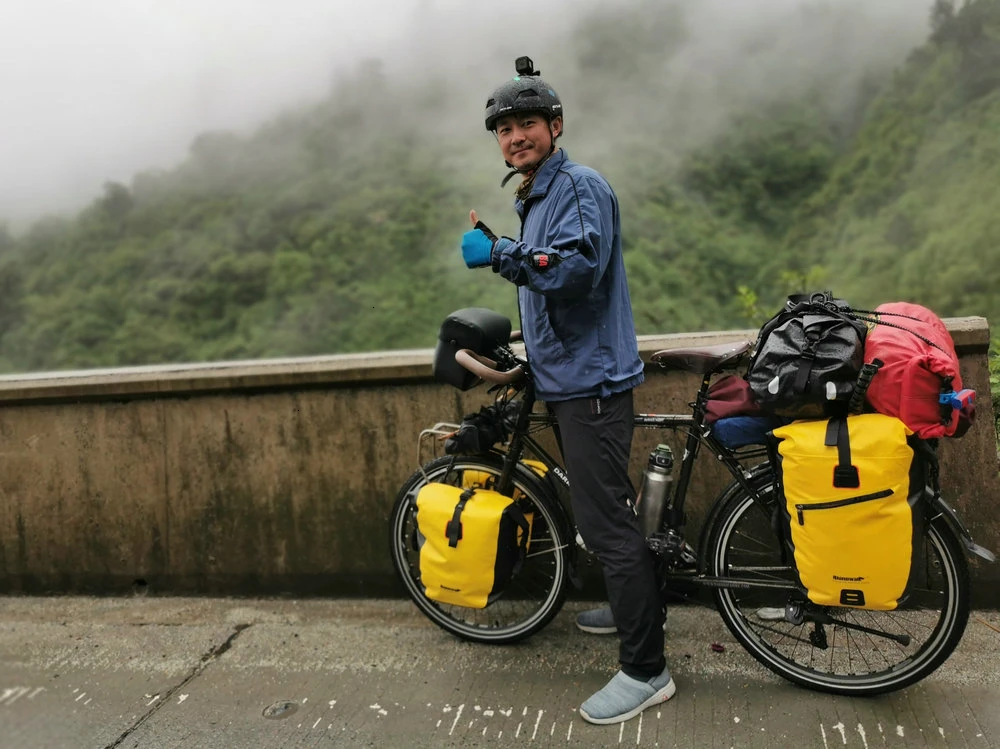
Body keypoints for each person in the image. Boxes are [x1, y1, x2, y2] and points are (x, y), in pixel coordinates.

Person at [459, 56, 674, 726]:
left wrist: (500, 254)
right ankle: (633, 606)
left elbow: (576, 271)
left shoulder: (578, 186)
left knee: (607, 523)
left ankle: (647, 670)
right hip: (571, 374)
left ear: (555, 126)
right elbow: (549, 281)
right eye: (504, 129)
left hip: (592, 384)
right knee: (607, 512)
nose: (515, 136)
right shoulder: (539, 196)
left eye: (526, 123)